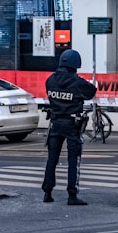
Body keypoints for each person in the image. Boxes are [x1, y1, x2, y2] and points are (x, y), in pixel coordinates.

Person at [42, 49, 97, 205]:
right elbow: (91, 92)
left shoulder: (50, 80)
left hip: (55, 124)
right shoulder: (77, 82)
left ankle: (47, 192)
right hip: (72, 125)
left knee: (52, 159)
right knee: (73, 160)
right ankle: (72, 195)